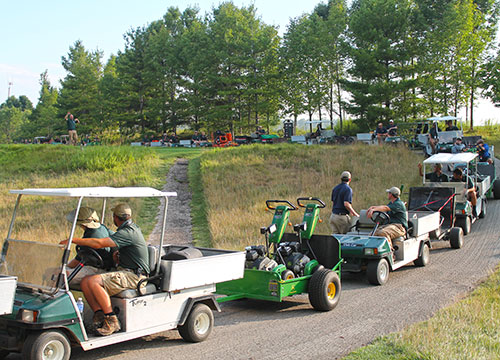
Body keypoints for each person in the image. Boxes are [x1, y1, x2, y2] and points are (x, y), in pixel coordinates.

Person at [60, 203, 149, 336]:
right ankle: (99, 316)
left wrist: (72, 240)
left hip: (135, 276)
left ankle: (112, 320)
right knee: (85, 282)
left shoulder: (128, 232)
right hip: (125, 271)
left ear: (116, 217)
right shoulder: (127, 230)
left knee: (93, 282)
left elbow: (99, 243)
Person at [65, 207, 115, 285]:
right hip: (98, 266)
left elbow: (76, 262)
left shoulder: (90, 236)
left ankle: (52, 295)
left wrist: (64, 267)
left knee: (59, 275)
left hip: (97, 269)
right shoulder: (102, 228)